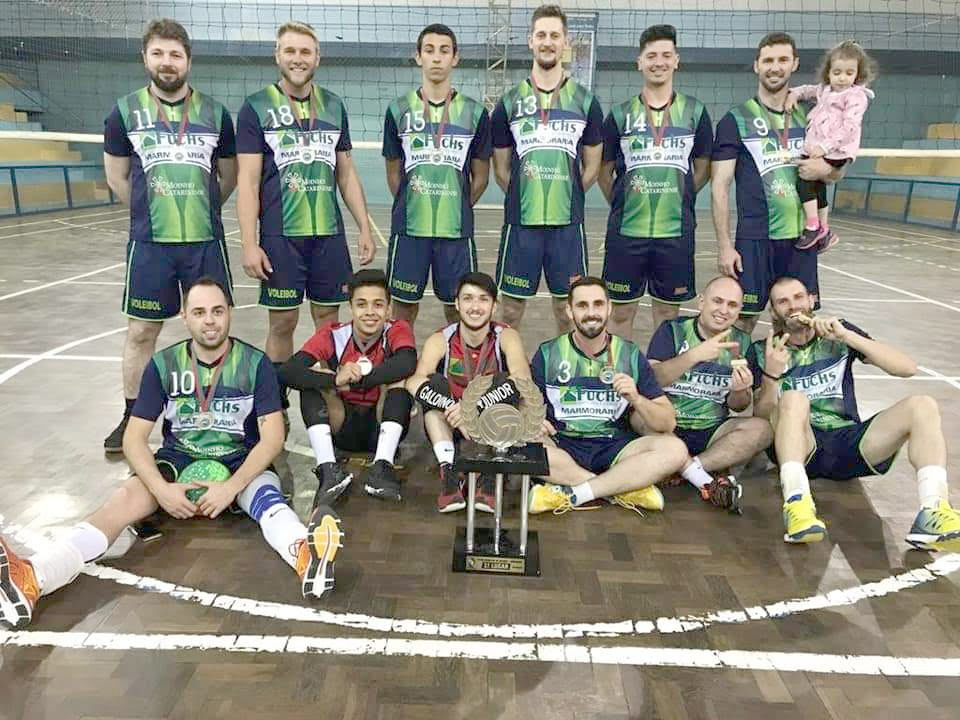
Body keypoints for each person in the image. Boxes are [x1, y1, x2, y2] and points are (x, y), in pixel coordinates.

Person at [0, 278, 343, 629]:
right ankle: (33, 578)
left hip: (238, 463)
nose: (209, 320)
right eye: (199, 312)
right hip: (176, 463)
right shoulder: (164, 365)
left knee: (271, 503)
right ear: (184, 317)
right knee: (121, 501)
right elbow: (134, 438)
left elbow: (272, 438)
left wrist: (229, 488)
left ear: (230, 314)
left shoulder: (256, 364)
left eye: (217, 311)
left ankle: (306, 555)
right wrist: (162, 491)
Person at [102, 18, 237, 453]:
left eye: (175, 54)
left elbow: (228, 178)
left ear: (188, 61)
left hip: (203, 241)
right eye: (158, 53)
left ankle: (212, 413)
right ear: (145, 57)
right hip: (150, 244)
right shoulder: (124, 112)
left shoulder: (216, 114)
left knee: (212, 327)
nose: (167, 62)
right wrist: (149, 210)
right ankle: (132, 416)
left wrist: (199, 206)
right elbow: (118, 178)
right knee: (142, 332)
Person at [748, 276, 960, 549]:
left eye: (798, 297)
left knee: (922, 405)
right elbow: (761, 417)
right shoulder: (763, 350)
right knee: (793, 398)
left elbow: (906, 368)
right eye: (783, 301)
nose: (793, 306)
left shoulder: (840, 334)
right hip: (802, 447)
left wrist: (847, 336)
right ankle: (797, 504)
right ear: (774, 311)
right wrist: (771, 375)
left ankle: (933, 510)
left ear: (812, 300)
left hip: (850, 443)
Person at [236, 21, 376, 378]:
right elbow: (248, 182)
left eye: (305, 52)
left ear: (318, 57)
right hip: (280, 237)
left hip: (328, 236)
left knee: (328, 323)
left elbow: (346, 172)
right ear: (277, 55)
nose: (298, 59)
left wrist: (363, 227)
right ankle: (275, 402)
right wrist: (249, 244)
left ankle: (327, 394)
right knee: (282, 323)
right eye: (290, 51)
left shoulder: (333, 105)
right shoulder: (256, 108)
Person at [711, 32, 846, 334]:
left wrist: (824, 167)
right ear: (756, 66)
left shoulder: (813, 115)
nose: (775, 67)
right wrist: (724, 246)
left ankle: (783, 380)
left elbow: (836, 173)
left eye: (783, 60)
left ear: (794, 64)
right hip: (756, 238)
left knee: (797, 321)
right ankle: (741, 381)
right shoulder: (736, 119)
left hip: (801, 239)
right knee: (743, 319)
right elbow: (719, 186)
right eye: (768, 61)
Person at [527, 277, 689, 515]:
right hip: (563, 446)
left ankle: (573, 493)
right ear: (569, 311)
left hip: (616, 448)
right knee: (518, 439)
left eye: (598, 304)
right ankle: (620, 487)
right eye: (582, 306)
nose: (591, 313)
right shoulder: (548, 353)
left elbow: (667, 422)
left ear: (609, 308)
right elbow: (526, 407)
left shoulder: (630, 354)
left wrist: (636, 398)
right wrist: (534, 419)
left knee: (675, 449)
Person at [490, 4, 604, 332]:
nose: (548, 41)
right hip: (521, 224)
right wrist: (525, 194)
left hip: (567, 225)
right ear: (530, 41)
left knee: (567, 310)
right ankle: (507, 374)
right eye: (541, 35)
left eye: (555, 35)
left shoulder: (584, 100)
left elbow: (592, 168)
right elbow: (501, 170)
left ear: (565, 40)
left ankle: (561, 377)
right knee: (509, 310)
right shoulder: (509, 103)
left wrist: (566, 194)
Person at [598, 24, 713, 340]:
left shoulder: (695, 112)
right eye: (651, 56)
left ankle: (660, 379)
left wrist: (682, 193)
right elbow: (603, 171)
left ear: (676, 60)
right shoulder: (620, 115)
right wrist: (622, 199)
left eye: (665, 55)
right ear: (639, 62)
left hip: (674, 233)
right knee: (620, 312)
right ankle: (620, 380)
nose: (658, 62)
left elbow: (702, 168)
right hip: (626, 232)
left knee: (666, 314)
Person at [382, 23, 492, 330]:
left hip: (455, 231)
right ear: (418, 57)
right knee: (402, 310)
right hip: (409, 228)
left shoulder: (474, 113)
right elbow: (394, 173)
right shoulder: (398, 110)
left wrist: (456, 203)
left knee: (459, 308)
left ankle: (460, 376)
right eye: (429, 51)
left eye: (444, 51)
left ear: (455, 58)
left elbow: (481, 176)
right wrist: (411, 200)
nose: (436, 58)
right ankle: (400, 371)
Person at [278, 270, 416, 503]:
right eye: (362, 304)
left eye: (378, 305)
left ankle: (382, 467)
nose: (370, 312)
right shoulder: (333, 334)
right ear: (350, 308)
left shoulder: (397, 329)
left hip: (380, 421)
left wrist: (357, 379)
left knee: (400, 382)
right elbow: (289, 371)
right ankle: (328, 470)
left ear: (389, 309)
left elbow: (407, 362)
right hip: (342, 426)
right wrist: (334, 379)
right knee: (313, 380)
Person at [405, 272, 532, 512]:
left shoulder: (506, 336)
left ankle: (489, 475)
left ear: (494, 306)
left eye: (483, 299)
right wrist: (450, 406)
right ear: (457, 304)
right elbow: (414, 381)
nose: (475, 307)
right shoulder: (441, 339)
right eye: (468, 299)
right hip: (451, 420)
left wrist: (473, 407)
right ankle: (449, 472)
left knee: (505, 383)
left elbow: (522, 377)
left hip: (490, 419)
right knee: (433, 387)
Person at [646, 276, 773, 513]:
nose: (723, 310)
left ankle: (688, 468)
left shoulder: (742, 343)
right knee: (637, 416)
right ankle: (702, 474)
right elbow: (653, 379)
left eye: (732, 305)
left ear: (739, 311)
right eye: (718, 301)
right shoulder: (672, 331)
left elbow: (738, 406)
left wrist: (740, 390)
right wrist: (694, 355)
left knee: (762, 430)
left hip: (711, 430)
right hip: (668, 426)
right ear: (701, 302)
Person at [786, 40, 877, 253]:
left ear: (857, 74)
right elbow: (808, 90)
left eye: (848, 73)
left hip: (836, 149)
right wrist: (794, 94)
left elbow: (849, 128)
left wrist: (825, 148)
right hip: (821, 147)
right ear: (829, 72)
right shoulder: (825, 90)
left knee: (804, 179)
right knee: (817, 185)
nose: (842, 78)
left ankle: (813, 225)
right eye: (837, 72)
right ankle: (824, 229)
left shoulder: (855, 96)